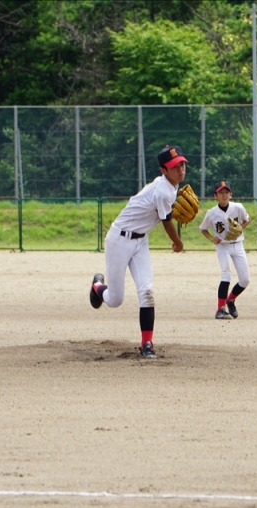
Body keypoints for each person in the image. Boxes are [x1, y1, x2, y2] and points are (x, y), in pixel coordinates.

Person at [89, 145, 187, 358]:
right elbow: (167, 222)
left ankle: (147, 344)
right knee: (115, 300)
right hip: (119, 240)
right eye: (174, 166)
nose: (180, 169)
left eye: (182, 164)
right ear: (163, 170)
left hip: (140, 241)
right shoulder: (163, 191)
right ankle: (97, 286)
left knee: (147, 291)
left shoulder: (173, 186)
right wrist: (178, 243)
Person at [199, 181, 251, 319]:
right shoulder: (211, 213)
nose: (224, 195)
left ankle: (230, 300)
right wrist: (211, 238)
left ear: (231, 194)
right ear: (215, 196)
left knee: (245, 280)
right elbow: (203, 229)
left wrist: (240, 228)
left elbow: (247, 219)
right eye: (221, 192)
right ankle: (220, 309)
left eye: (227, 192)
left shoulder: (238, 207)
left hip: (238, 245)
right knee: (226, 275)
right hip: (223, 246)